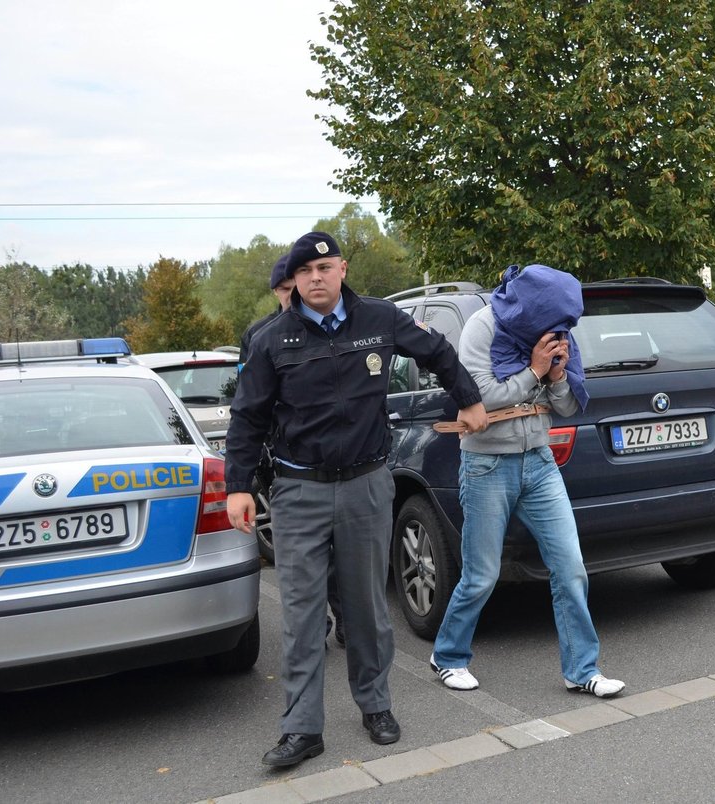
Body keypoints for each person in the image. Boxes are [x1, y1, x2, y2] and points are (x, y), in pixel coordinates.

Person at [224, 231, 488, 768]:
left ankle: (375, 706)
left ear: (342, 269)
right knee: (300, 612)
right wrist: (237, 487)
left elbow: (437, 352)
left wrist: (471, 401)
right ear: (293, 281)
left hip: (367, 484)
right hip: (299, 491)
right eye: (305, 272)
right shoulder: (271, 339)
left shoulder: (380, 320)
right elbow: (247, 418)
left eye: (325, 268)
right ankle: (302, 730)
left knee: (367, 606)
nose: (316, 278)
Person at [430, 263, 625, 699]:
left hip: (539, 461)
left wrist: (557, 378)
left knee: (571, 568)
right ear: (530, 309)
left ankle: (582, 669)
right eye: (554, 326)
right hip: (487, 465)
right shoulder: (483, 328)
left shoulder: (553, 331)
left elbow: (569, 407)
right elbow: (478, 396)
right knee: (481, 575)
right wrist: (536, 372)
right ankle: (449, 656)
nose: (559, 334)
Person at [239, 253, 345, 647]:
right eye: (284, 289)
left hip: (334, 461)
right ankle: (314, 626)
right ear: (276, 290)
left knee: (340, 555)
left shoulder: (333, 326)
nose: (289, 296)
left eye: (292, 288)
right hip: (281, 463)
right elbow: (249, 403)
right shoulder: (259, 335)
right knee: (300, 557)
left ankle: (347, 619)